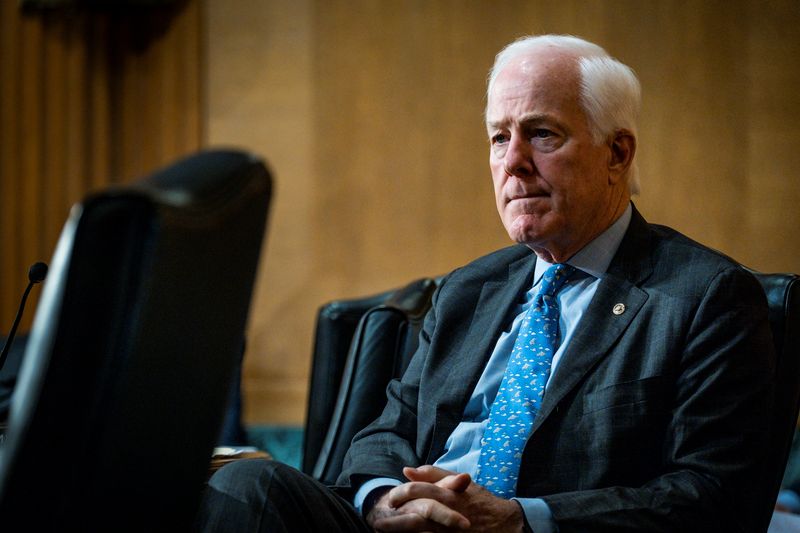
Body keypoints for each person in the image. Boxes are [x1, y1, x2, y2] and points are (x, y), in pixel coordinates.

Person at [195, 34, 775, 533]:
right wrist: (381, 500)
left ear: (617, 153)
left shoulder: (704, 297)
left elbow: (712, 497)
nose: (514, 162)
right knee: (245, 485)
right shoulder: (469, 289)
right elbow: (388, 430)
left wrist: (520, 519)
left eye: (542, 134)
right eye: (499, 138)